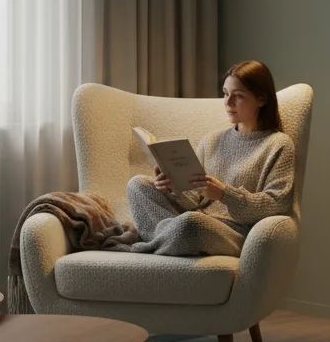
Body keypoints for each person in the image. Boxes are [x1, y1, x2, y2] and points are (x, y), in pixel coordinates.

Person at [121, 60, 296, 257]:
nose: (227, 103)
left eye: (238, 96)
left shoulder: (279, 144)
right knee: (137, 185)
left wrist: (224, 194)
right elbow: (195, 199)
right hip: (196, 219)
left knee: (191, 223)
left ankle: (151, 243)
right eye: (225, 93)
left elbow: (277, 203)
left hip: (233, 232)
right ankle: (174, 240)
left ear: (261, 99)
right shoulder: (212, 140)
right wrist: (172, 186)